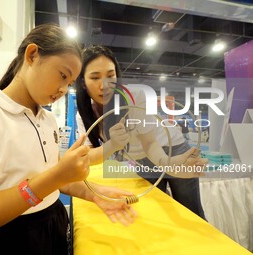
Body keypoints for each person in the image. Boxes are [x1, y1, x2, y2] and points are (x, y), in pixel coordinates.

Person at [0, 24, 137, 255]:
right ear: (32, 55)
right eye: (62, 75)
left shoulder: (47, 119)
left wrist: (95, 194)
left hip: (52, 227)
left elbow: (55, 177)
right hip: (2, 241)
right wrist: (56, 176)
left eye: (69, 83)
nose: (62, 90)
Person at [76, 45, 206, 219]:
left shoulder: (134, 97)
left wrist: (169, 165)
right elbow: (88, 157)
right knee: (154, 211)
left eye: (110, 75)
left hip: (172, 148)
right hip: (143, 161)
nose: (104, 85)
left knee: (190, 212)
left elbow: (150, 143)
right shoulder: (85, 115)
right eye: (95, 77)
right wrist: (112, 145)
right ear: (83, 83)